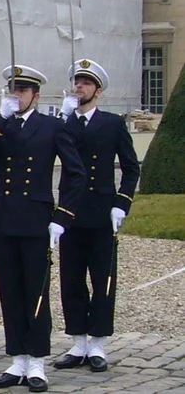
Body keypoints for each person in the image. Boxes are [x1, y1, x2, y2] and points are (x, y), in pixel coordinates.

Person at [0, 65, 85, 392]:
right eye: (13, 89)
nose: (17, 95)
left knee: (35, 291)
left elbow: (76, 173)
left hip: (37, 219)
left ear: (36, 95)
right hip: (6, 218)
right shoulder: (2, 127)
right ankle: (17, 358)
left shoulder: (51, 127)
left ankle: (37, 359)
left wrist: (62, 216)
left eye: (23, 90)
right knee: (10, 290)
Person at [52, 59, 140, 374]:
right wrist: (61, 119)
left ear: (98, 91)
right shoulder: (62, 124)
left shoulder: (113, 124)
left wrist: (122, 202)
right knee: (71, 278)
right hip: (70, 213)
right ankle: (78, 342)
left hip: (102, 213)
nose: (79, 87)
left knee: (102, 279)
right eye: (77, 82)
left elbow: (131, 167)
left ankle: (98, 344)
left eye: (86, 83)